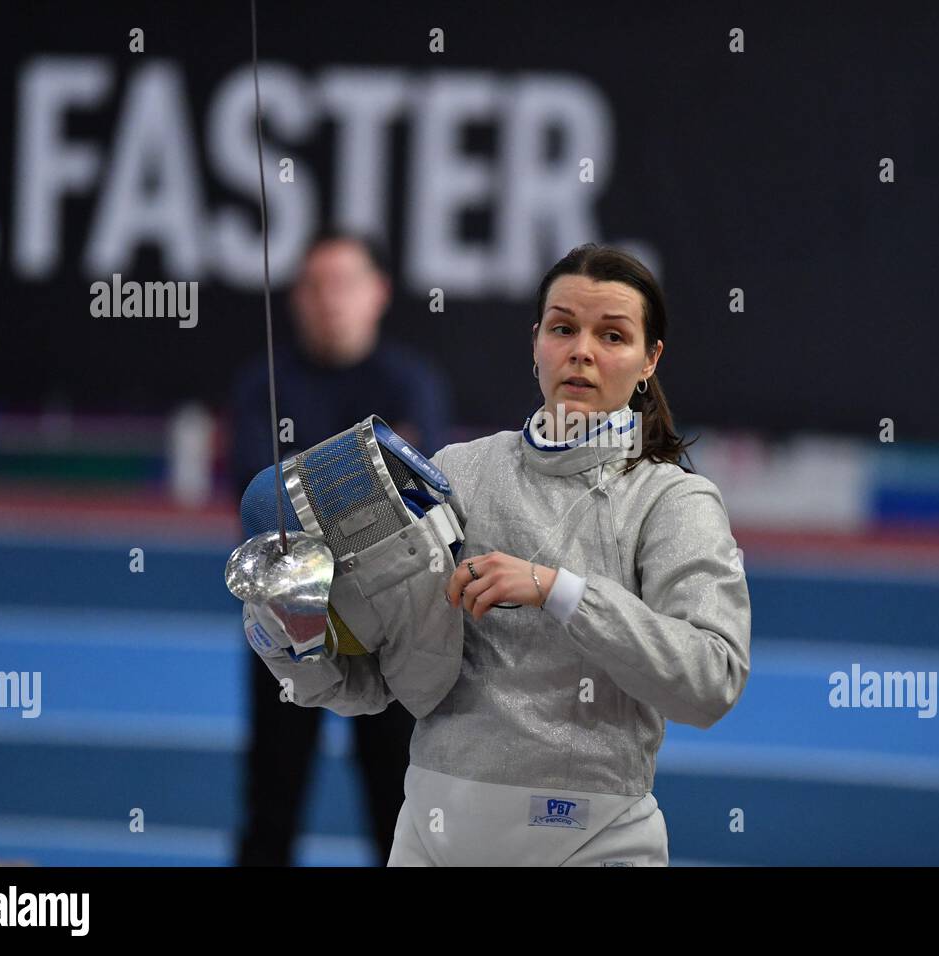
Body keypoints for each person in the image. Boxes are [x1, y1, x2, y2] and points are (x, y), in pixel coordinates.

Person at [241, 242, 752, 866]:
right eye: (563, 328)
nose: (582, 351)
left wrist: (558, 590)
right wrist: (291, 636)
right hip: (435, 838)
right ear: (536, 342)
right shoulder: (455, 473)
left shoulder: (672, 499)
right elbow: (374, 684)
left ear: (650, 360)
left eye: (612, 336)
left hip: (593, 842)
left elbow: (710, 678)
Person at [228, 232, 452, 866]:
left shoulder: (412, 383)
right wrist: (357, 480)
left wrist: (305, 486)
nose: (329, 300)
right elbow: (261, 509)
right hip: (288, 621)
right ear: (297, 297)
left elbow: (415, 498)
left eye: (345, 283)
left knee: (399, 812)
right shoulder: (261, 385)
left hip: (391, 629)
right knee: (270, 808)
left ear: (378, 292)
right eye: (315, 285)